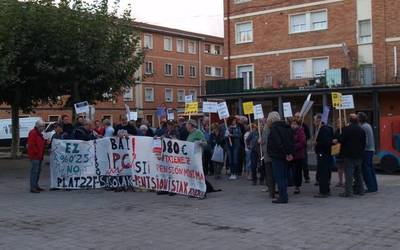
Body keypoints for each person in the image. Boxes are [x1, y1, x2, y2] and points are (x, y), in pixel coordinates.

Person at [267, 111, 294, 204]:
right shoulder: (286, 127)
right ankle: (284, 195)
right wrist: (289, 153)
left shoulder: (274, 128)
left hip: (277, 156)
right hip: (285, 156)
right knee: (283, 176)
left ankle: (283, 197)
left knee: (279, 177)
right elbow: (291, 141)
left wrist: (285, 153)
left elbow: (278, 143)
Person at [338, 114, 366, 197]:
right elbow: (364, 143)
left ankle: (348, 192)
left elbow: (341, 140)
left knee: (349, 174)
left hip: (349, 155)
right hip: (359, 155)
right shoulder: (361, 130)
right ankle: (361, 190)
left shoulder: (347, 129)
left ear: (349, 121)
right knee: (358, 174)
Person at [313, 114, 334, 198]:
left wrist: (317, 143)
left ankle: (323, 191)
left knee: (323, 172)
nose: (314, 122)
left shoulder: (323, 129)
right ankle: (326, 189)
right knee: (325, 172)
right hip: (325, 154)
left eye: (314, 120)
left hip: (323, 154)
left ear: (318, 121)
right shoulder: (327, 128)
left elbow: (326, 143)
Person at [358, 112, 378, 193]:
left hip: (366, 151)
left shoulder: (363, 127)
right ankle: (374, 186)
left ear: (360, 118)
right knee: (370, 169)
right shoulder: (368, 125)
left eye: (357, 117)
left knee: (366, 170)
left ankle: (370, 187)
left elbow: (365, 141)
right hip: (371, 150)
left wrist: (360, 149)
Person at [28, 119, 47, 193]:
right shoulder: (33, 133)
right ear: (38, 126)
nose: (43, 128)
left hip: (39, 155)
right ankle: (33, 187)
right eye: (42, 126)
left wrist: (45, 142)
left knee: (38, 172)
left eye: (43, 126)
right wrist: (36, 153)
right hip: (35, 156)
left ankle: (35, 185)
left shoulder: (39, 133)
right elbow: (31, 144)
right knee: (34, 172)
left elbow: (40, 143)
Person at [290, 119, 306, 194]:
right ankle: (292, 182)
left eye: (294, 124)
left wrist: (294, 146)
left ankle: (297, 186)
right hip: (292, 155)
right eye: (292, 124)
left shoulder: (300, 131)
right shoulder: (290, 132)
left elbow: (302, 142)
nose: (293, 125)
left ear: (298, 125)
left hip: (298, 155)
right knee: (293, 170)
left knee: (298, 171)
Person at [294, 112, 311, 183]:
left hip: (303, 148)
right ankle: (297, 178)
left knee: (304, 163)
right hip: (295, 148)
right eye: (296, 117)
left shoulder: (304, 126)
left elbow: (308, 135)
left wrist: (302, 136)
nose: (297, 118)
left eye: (298, 117)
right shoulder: (293, 125)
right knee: (296, 165)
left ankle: (306, 177)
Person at [260, 118, 275, 198]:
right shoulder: (267, 129)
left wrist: (261, 141)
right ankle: (272, 189)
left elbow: (265, 142)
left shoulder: (267, 129)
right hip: (271, 154)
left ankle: (271, 190)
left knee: (270, 174)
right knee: (271, 174)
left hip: (268, 155)